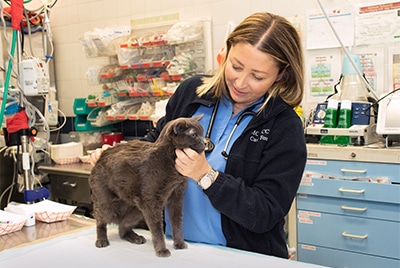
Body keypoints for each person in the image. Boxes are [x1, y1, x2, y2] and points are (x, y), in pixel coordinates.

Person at [91, 12, 306, 259]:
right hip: (173, 250)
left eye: (257, 76)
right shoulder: (191, 93)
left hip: (239, 256)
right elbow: (153, 147)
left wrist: (207, 176)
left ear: (281, 74)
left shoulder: (284, 126)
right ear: (225, 53)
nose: (241, 82)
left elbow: (266, 212)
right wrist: (115, 158)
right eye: (235, 66)